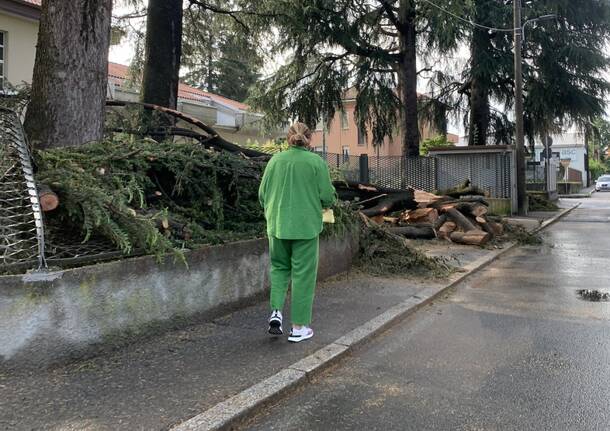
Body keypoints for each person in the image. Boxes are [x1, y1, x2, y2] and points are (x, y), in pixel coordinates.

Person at [258, 122, 336, 342]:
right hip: (306, 227)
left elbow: (262, 195)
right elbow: (327, 196)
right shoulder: (316, 162)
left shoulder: (274, 161)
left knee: (279, 268)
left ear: (287, 139)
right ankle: (298, 328)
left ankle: (276, 312)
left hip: (277, 225)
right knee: (303, 276)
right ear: (309, 140)